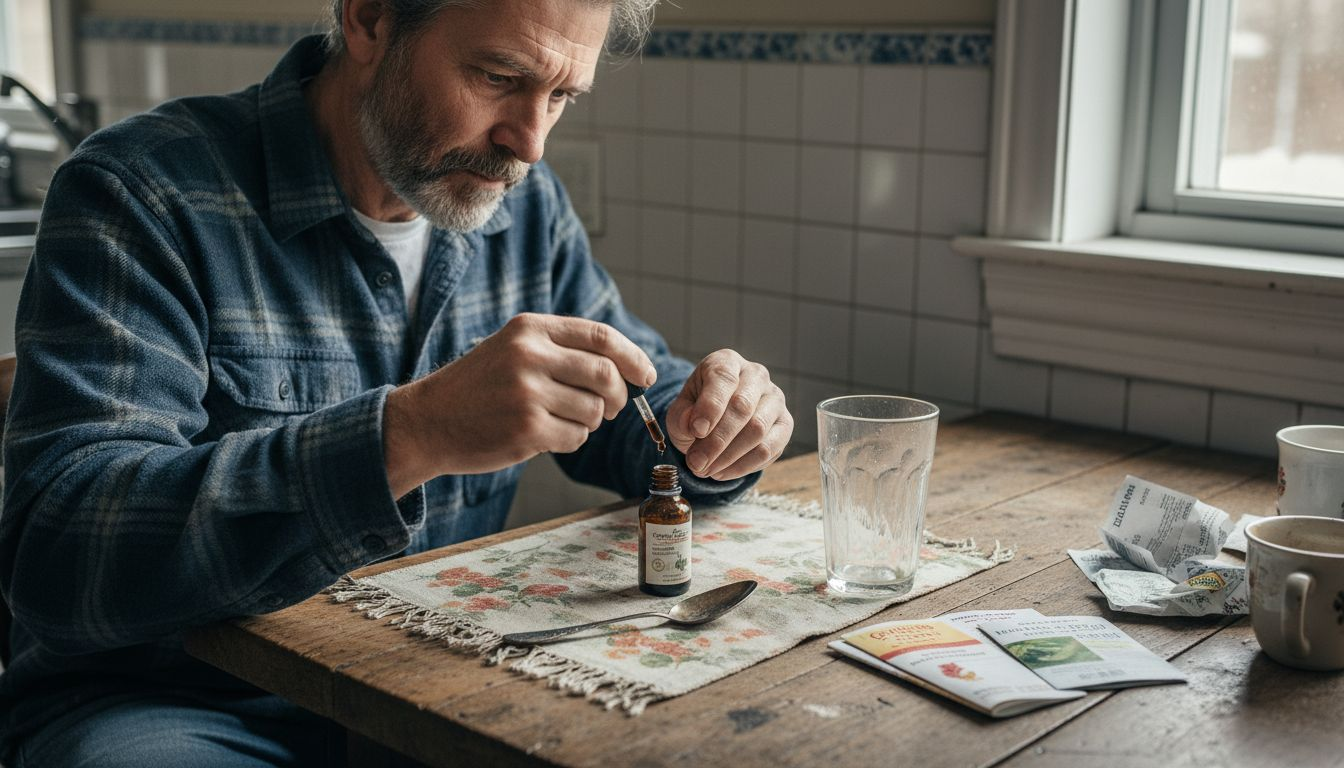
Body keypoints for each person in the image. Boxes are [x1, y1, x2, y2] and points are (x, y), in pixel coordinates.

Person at [0, 0, 794, 764]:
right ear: (370, 18)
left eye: (560, 96)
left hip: (429, 689)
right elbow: (59, 555)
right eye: (497, 77)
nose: (530, 144)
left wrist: (710, 425)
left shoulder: (524, 207)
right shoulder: (142, 191)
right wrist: (409, 435)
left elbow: (632, 412)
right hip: (175, 706)